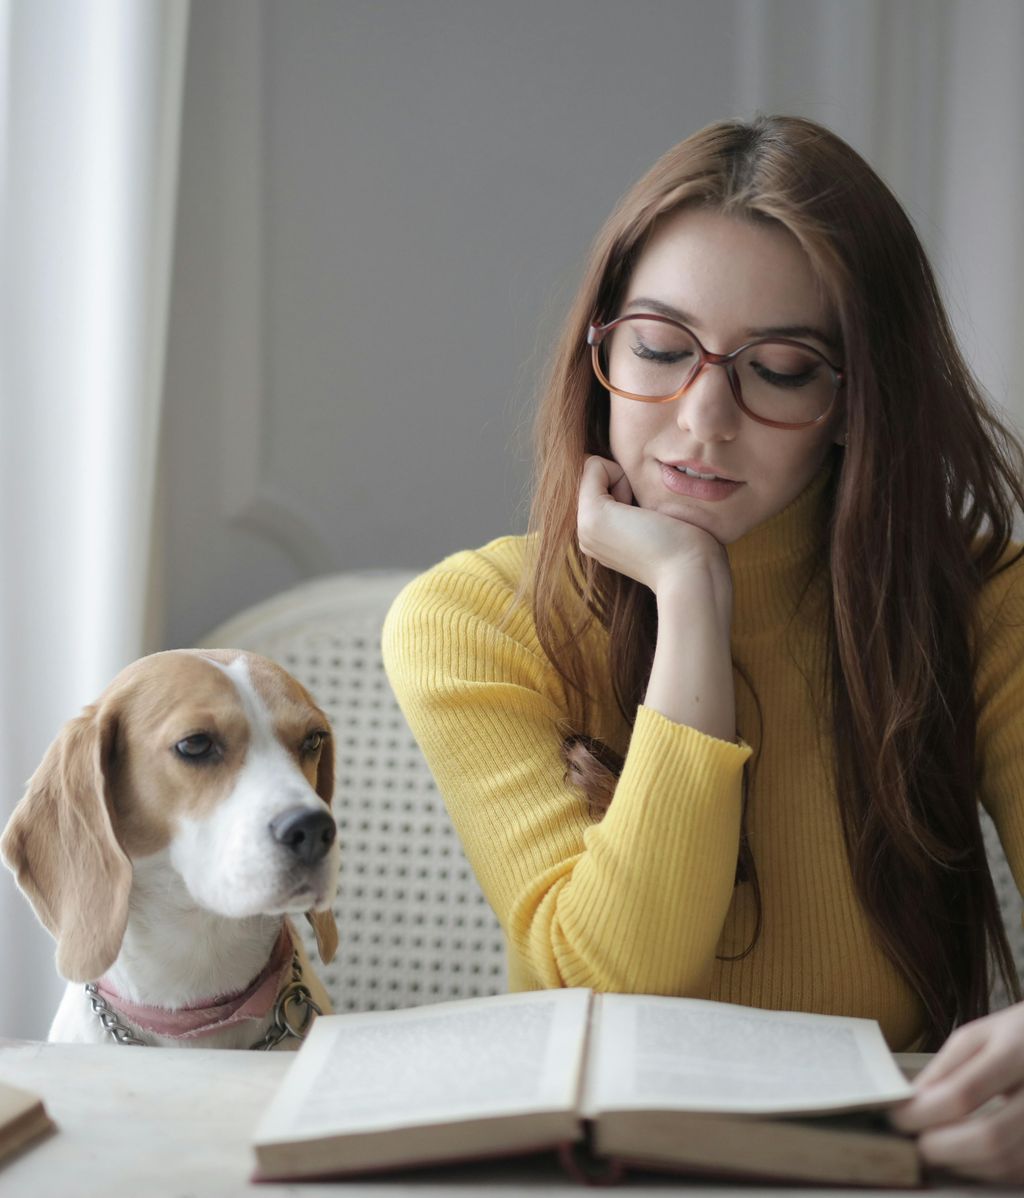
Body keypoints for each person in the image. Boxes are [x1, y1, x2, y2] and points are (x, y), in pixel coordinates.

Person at [381, 114, 1024, 1183]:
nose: (701, 416)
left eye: (778, 369)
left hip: (881, 1170)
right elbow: (608, 981)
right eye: (661, 348)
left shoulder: (982, 604)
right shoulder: (471, 619)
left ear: (853, 400)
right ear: (600, 351)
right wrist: (689, 593)